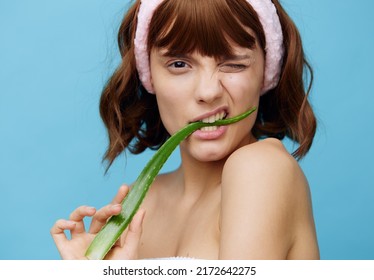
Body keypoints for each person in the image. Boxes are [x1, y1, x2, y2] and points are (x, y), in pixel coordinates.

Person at [51, 0, 319, 259]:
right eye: (179, 64)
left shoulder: (261, 168)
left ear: (266, 71)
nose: (208, 92)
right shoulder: (139, 202)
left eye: (234, 63)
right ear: (148, 75)